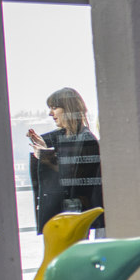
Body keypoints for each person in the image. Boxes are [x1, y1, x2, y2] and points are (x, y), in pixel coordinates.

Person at [26, 87, 103, 235]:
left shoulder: (86, 139)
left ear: (68, 109)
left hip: (73, 217)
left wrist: (45, 156)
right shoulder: (71, 137)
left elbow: (77, 182)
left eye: (54, 108)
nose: (50, 114)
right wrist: (45, 153)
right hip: (65, 216)